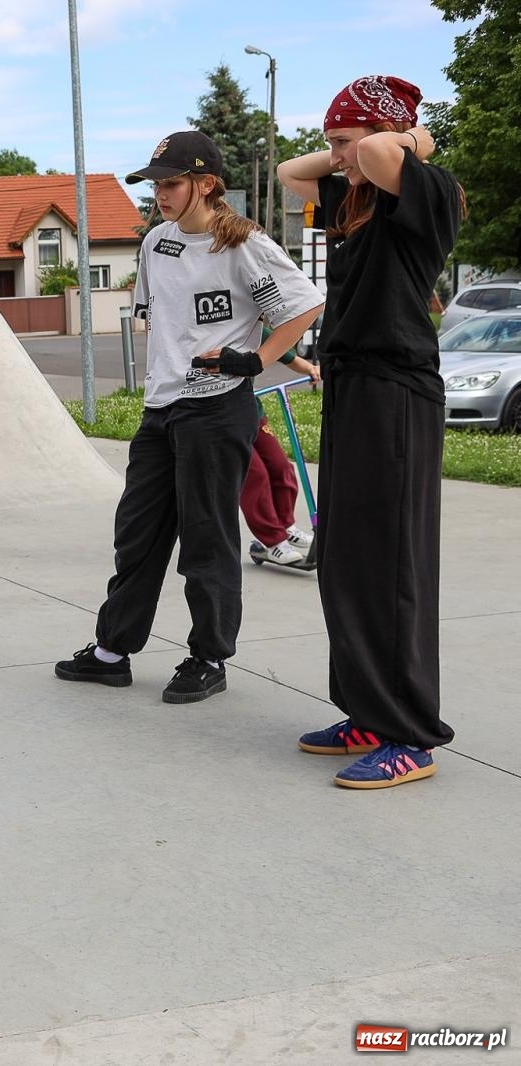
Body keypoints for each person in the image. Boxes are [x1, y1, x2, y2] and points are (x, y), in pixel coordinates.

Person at [55, 131, 323, 704]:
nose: (161, 195)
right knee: (138, 534)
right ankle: (112, 652)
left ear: (206, 184)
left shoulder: (245, 244)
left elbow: (305, 305)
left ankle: (208, 657)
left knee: (206, 539)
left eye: (171, 184)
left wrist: (257, 358)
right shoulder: (156, 243)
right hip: (162, 409)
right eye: (155, 185)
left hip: (217, 407)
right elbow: (160, 320)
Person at [276, 75, 462, 789]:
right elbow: (293, 172)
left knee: (392, 566)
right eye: (333, 143)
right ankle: (367, 711)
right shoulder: (351, 199)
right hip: (351, 384)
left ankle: (409, 731)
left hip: (397, 390)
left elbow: (388, 148)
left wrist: (411, 137)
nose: (336, 156)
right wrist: (344, 153)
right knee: (349, 558)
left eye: (345, 142)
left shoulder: (429, 190)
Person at [243, 353, 320, 567]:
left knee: (281, 466)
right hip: (223, 416)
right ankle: (273, 541)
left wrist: (308, 368)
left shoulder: (254, 324)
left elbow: (280, 347)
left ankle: (285, 525)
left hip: (253, 412)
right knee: (255, 476)